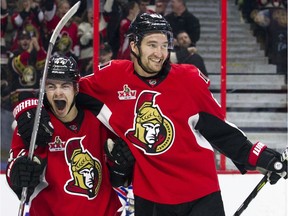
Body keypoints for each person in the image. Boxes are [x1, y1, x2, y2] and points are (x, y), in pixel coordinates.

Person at [15, 13, 287, 216]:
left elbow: (221, 131)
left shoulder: (189, 80)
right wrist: (28, 109)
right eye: (152, 45)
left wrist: (261, 157)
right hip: (151, 199)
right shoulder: (111, 79)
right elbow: (63, 89)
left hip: (200, 195)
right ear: (134, 46)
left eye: (164, 45)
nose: (160, 53)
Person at [5, 55, 133, 216]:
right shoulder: (33, 126)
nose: (58, 93)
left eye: (65, 86)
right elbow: (14, 172)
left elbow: (121, 178)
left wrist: (122, 167)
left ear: (76, 89)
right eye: (51, 86)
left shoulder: (100, 121)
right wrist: (18, 172)